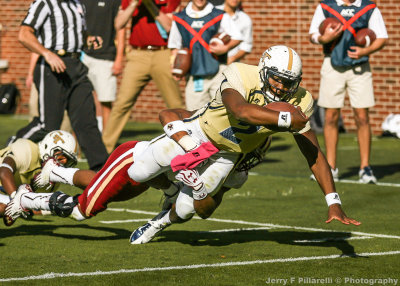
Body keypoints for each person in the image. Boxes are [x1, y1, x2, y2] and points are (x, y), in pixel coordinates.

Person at [128, 45, 361, 244]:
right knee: (138, 172)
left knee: (188, 208)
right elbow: (239, 110)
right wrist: (287, 119)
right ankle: (167, 184)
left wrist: (333, 200)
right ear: (263, 71)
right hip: (200, 131)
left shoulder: (300, 100)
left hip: (228, 153)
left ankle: (158, 223)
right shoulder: (241, 73)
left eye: (288, 82)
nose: (280, 87)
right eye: (276, 78)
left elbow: (314, 154)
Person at [12, 0, 108, 171]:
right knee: (47, 125)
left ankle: (102, 172)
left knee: (87, 122)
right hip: (51, 66)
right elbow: (24, 34)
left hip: (76, 65)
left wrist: (89, 39)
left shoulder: (77, 4)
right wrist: (47, 54)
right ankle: (10, 151)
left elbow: (78, 33)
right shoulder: (44, 4)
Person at [309, 0, 388, 183]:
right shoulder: (326, 6)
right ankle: (330, 167)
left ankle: (365, 168)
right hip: (332, 64)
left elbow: (382, 38)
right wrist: (323, 39)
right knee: (330, 117)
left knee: (362, 116)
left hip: (359, 67)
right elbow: (312, 35)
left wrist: (366, 50)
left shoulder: (368, 7)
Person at [102, 0, 185, 153]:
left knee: (175, 103)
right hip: (138, 55)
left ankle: (187, 144)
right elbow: (118, 24)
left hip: (163, 53)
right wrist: (134, 4)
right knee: (122, 103)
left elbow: (169, 27)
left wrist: (149, 4)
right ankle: (104, 149)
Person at [168, 0, 242, 111]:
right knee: (195, 115)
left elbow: (237, 37)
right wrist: (176, 67)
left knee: (223, 112)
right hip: (194, 74)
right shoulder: (180, 18)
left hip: (218, 71)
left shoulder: (219, 15)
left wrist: (225, 48)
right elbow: (175, 46)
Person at [0, 130, 78, 222]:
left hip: (5, 192)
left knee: (5, 207)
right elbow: (4, 171)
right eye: (61, 157)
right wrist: (16, 198)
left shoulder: (52, 180)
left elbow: (32, 205)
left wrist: (51, 208)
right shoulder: (29, 149)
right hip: (4, 185)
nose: (62, 164)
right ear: (48, 147)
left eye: (67, 162)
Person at [80, 0, 125, 131]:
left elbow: (120, 29)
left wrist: (119, 58)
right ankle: (77, 141)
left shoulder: (115, 2)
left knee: (106, 102)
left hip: (106, 58)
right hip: (83, 56)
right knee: (80, 101)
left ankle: (106, 142)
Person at [216, 0, 253, 64]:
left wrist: (232, 58)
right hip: (210, 62)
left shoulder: (245, 19)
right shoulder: (213, 12)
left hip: (231, 64)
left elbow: (247, 45)